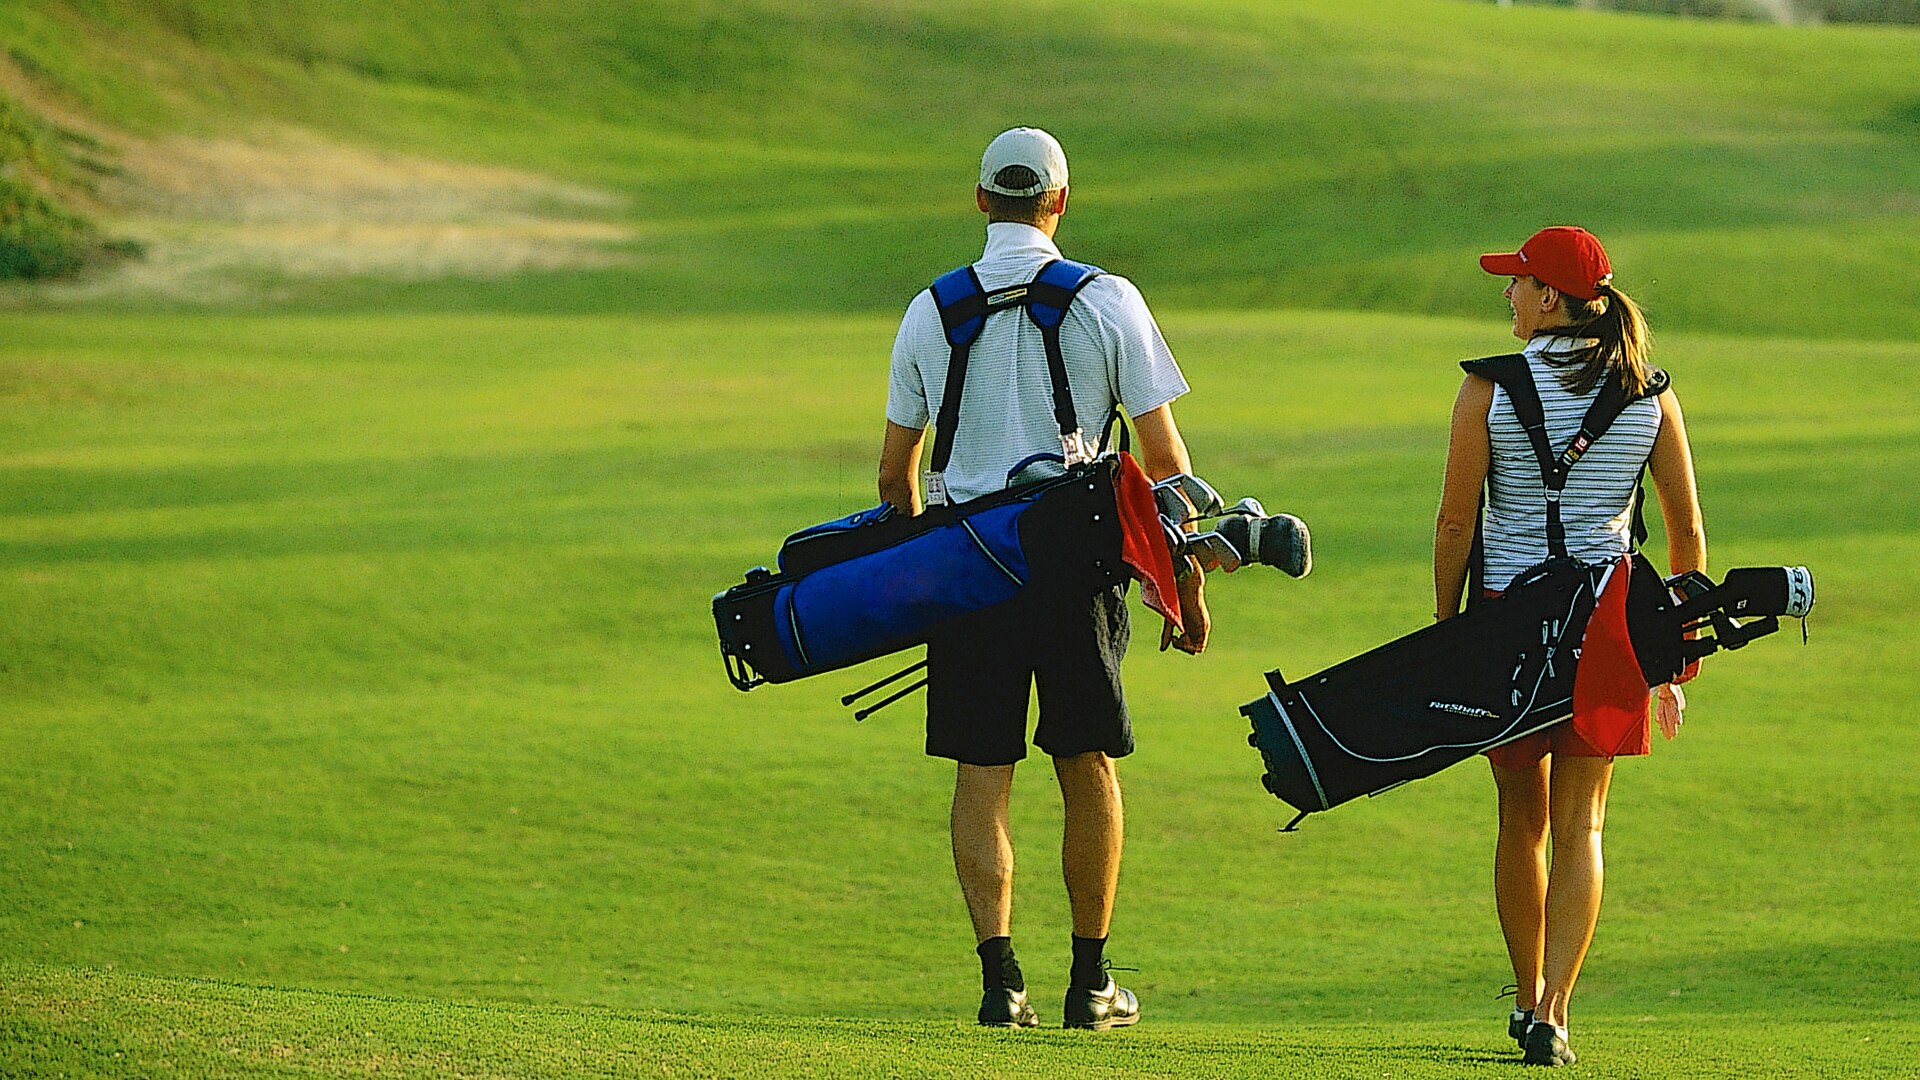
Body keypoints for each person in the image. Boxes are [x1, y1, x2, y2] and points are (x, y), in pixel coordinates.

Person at [876, 127, 1209, 1031]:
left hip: (964, 566)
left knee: (982, 772)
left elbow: (894, 476)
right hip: (1077, 570)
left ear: (981, 201)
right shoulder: (1108, 300)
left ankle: (999, 982)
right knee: (1086, 762)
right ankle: (1090, 982)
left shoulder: (928, 310)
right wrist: (1179, 579)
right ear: (1061, 201)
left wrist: (920, 576)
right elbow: (1165, 465)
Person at [1433, 226, 1706, 1067]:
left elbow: (1455, 522)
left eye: (1516, 283)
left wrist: (1448, 631)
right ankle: (1556, 1010)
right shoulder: (1651, 396)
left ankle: (1523, 998)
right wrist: (1678, 652)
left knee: (1523, 821)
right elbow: (1687, 530)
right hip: (1611, 634)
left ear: (1551, 297)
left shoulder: (1487, 389)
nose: (1507, 295)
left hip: (1510, 624)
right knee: (1584, 824)